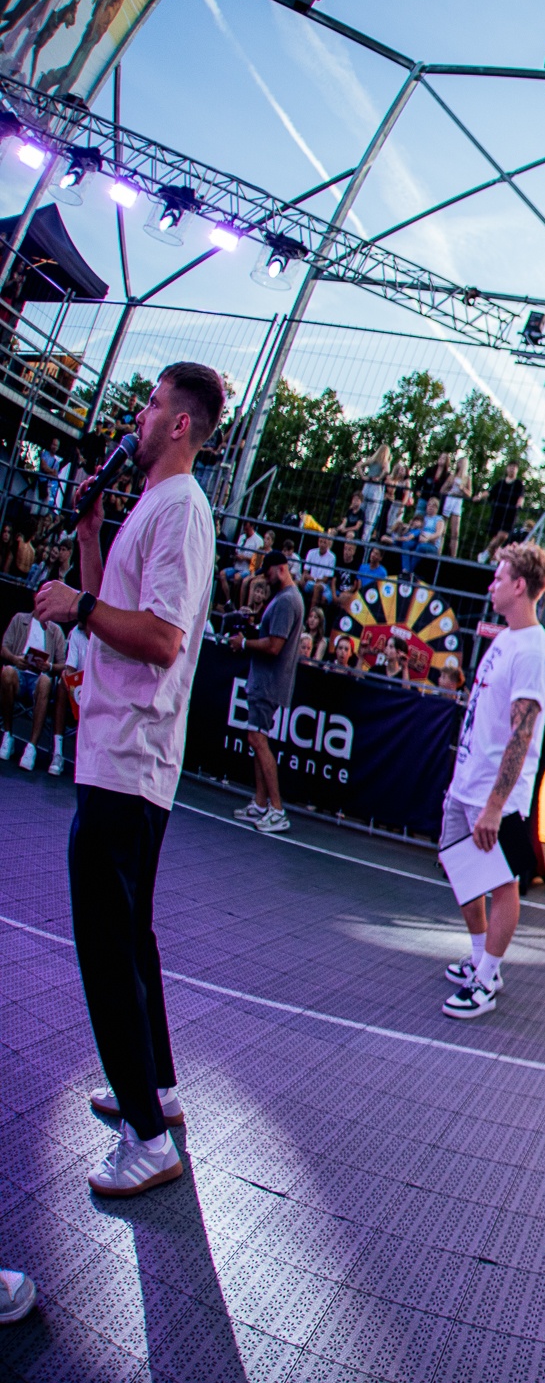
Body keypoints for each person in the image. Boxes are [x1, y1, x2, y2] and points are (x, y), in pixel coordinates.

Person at [32, 362, 224, 1198]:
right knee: (131, 934)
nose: (137, 416)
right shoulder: (156, 505)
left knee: (107, 947)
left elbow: (160, 637)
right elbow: (117, 607)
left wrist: (76, 606)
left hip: (129, 755)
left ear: (179, 423)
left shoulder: (180, 508)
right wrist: (90, 536)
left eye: (150, 405)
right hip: (122, 753)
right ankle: (159, 1092)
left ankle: (146, 1139)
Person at [438, 543, 545, 1020]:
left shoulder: (533, 650)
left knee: (503, 883)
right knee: (461, 869)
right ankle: (478, 957)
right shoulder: (506, 637)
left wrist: (493, 806)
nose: (491, 585)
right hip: (466, 783)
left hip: (496, 797)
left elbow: (521, 734)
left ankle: (486, 979)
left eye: (498, 578)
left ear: (519, 586)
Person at [228, 549, 304, 834]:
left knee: (257, 739)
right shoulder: (286, 598)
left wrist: (244, 643)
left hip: (268, 682)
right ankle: (261, 804)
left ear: (281, 568)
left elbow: (274, 646)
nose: (266, 579)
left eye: (268, 573)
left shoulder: (286, 601)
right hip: (266, 680)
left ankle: (277, 809)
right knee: (257, 738)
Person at [0, 603, 66, 773]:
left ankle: (32, 746)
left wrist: (49, 666)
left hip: (39, 680)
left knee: (45, 681)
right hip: (20, 674)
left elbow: (64, 665)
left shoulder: (56, 631)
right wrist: (15, 659)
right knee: (7, 672)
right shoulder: (20, 619)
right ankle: (8, 735)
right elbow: (4, 648)